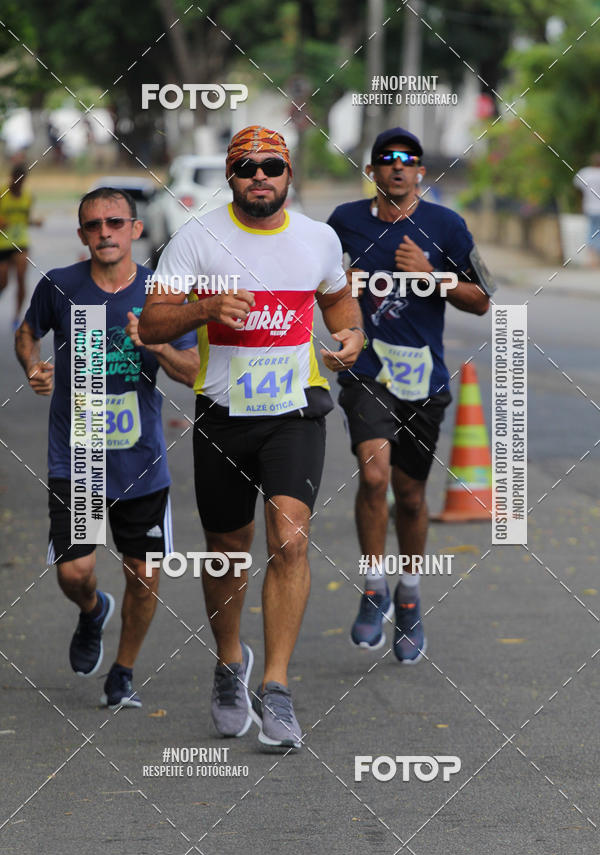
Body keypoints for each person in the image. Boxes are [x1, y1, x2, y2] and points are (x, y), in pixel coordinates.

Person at [138, 125, 364, 749]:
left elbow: (340, 305)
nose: (259, 176)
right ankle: (229, 661)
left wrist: (351, 338)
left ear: (289, 174)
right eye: (246, 167)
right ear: (231, 178)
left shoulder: (318, 239)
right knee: (226, 549)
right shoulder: (198, 238)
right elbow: (154, 320)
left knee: (289, 540)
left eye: (271, 166)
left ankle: (279, 687)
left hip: (296, 412)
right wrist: (204, 310)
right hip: (222, 414)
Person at [15, 188, 199, 709]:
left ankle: (123, 670)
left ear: (135, 230)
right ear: (81, 236)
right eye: (93, 225)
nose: (104, 232)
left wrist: (158, 343)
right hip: (78, 461)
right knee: (75, 573)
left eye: (115, 222)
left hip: (141, 465)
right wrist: (31, 364)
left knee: (143, 576)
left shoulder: (160, 295)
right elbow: (27, 333)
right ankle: (93, 610)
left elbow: (192, 374)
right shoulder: (60, 287)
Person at [327, 127, 493, 663]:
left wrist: (434, 275)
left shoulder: (446, 226)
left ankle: (409, 594)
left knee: (413, 495)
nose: (397, 167)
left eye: (408, 160)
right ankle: (373, 585)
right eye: (386, 160)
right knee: (374, 475)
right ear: (372, 171)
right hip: (367, 373)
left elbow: (482, 299)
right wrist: (339, 291)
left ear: (421, 171)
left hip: (423, 379)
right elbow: (320, 285)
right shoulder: (344, 223)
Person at [0, 164, 43, 329]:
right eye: (16, 179)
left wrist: (34, 222)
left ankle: (17, 316)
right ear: (11, 177)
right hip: (2, 243)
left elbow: (25, 219)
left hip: (21, 242)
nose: (19, 183)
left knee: (20, 275)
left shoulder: (28, 196)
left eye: (22, 180)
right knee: (3, 280)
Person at [573, 153, 600, 266]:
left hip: (590, 207)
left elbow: (578, 188)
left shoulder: (585, 173)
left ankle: (592, 259)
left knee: (591, 231)